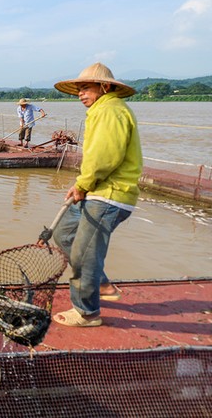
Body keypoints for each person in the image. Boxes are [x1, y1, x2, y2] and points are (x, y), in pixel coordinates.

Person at [47, 62, 142, 327]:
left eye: (86, 87)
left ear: (105, 86)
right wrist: (82, 185)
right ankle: (100, 283)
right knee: (63, 233)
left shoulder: (111, 110)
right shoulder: (102, 110)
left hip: (109, 195)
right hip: (95, 191)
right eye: (78, 89)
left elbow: (104, 157)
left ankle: (87, 313)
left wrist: (83, 184)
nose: (80, 93)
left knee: (83, 255)